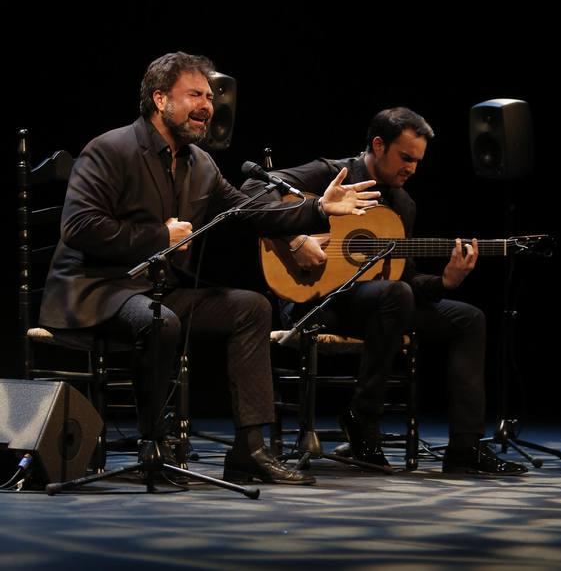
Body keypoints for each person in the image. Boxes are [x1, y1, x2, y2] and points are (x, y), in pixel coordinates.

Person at [39, 52, 381, 486]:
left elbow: (252, 210)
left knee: (250, 307)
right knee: (160, 322)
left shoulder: (200, 163)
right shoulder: (110, 149)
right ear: (160, 100)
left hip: (157, 289)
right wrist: (157, 237)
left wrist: (317, 209)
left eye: (209, 96)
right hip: (96, 287)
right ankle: (153, 445)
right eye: (195, 95)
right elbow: (79, 227)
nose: (208, 105)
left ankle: (249, 450)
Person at [243, 107, 527, 476]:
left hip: (379, 307)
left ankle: (464, 448)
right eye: (405, 157)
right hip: (315, 302)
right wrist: (296, 238)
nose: (412, 168)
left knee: (468, 318)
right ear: (378, 145)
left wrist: (446, 282)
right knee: (395, 296)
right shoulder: (332, 173)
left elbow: (403, 278)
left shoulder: (403, 204)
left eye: (418, 161)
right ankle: (363, 419)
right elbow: (251, 191)